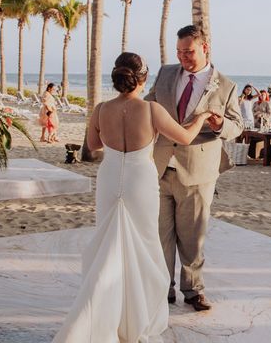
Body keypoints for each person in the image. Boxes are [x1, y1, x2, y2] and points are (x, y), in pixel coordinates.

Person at [53, 52, 216, 342]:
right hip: (140, 180)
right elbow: (186, 138)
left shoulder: (101, 109)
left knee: (108, 239)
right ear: (142, 79)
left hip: (110, 176)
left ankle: (102, 309)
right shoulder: (152, 111)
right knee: (143, 244)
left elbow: (92, 146)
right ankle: (136, 315)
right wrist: (202, 115)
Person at [145, 25, 243, 311]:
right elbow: (149, 106)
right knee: (160, 235)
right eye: (179, 52)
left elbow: (237, 126)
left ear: (205, 48)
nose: (183, 57)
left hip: (199, 170)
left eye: (188, 52)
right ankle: (163, 288)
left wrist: (220, 124)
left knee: (192, 237)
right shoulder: (164, 74)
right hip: (160, 166)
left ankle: (193, 289)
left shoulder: (226, 86)